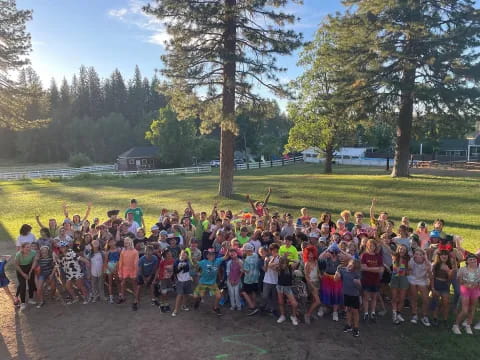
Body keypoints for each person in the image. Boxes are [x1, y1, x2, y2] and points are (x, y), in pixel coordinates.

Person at [192, 247, 229, 316]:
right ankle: (198, 299)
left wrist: (228, 249)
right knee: (195, 296)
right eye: (210, 254)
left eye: (213, 254)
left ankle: (215, 308)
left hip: (212, 283)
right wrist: (192, 258)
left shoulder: (217, 260)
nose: (212, 255)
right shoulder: (203, 262)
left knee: (218, 296)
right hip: (203, 282)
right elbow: (196, 263)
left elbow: (226, 256)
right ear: (207, 256)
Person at [452, 254, 480, 335]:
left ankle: (468, 325)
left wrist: (477, 285)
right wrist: (465, 284)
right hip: (465, 290)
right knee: (465, 310)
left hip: (475, 290)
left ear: (476, 260)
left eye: (474, 259)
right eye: (470, 259)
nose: (472, 261)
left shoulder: (479, 270)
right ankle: (456, 325)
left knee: (472, 309)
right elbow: (459, 281)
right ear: (467, 261)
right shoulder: (462, 269)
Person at [57, 240, 90, 305]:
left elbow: (79, 258)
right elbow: (58, 264)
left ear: (66, 247)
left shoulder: (71, 252)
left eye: (63, 247)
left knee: (80, 286)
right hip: (69, 274)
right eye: (60, 247)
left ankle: (86, 298)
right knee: (68, 287)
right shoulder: (60, 256)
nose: (62, 248)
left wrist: (87, 261)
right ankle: (75, 298)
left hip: (76, 272)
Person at [335, 259, 362, 337]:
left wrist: (358, 283)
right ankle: (349, 325)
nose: (350, 266)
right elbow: (336, 279)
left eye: (353, 265)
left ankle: (356, 328)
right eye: (350, 264)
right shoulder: (343, 270)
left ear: (356, 267)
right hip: (346, 294)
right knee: (348, 310)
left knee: (355, 311)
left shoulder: (357, 273)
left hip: (354, 295)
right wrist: (337, 270)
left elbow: (360, 287)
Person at [360, 239, 383, 322]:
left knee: (374, 297)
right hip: (366, 280)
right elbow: (362, 268)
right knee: (366, 297)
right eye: (369, 245)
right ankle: (366, 313)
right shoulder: (364, 255)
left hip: (375, 280)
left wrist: (368, 268)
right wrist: (376, 268)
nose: (371, 247)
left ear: (375, 247)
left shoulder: (378, 256)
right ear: (367, 246)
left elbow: (381, 270)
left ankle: (372, 313)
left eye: (373, 245)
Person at [408, 248, 432, 326]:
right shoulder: (412, 261)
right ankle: (414, 314)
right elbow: (409, 270)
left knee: (425, 299)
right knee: (414, 297)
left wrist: (428, 269)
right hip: (413, 278)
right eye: (416, 254)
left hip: (422, 280)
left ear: (424, 256)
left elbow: (430, 275)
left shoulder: (427, 263)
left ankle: (424, 316)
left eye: (420, 254)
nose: (418, 256)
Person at [430, 250, 454, 327]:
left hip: (445, 285)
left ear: (448, 256)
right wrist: (433, 288)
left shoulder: (449, 265)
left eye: (446, 255)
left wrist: (448, 271)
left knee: (446, 303)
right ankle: (435, 318)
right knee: (436, 301)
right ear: (439, 256)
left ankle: (445, 319)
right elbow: (432, 277)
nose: (444, 256)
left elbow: (450, 279)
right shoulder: (435, 265)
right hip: (436, 284)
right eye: (442, 255)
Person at [276, 256, 299, 326]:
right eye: (282, 263)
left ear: (287, 262)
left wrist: (290, 259)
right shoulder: (278, 268)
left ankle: (293, 316)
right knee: (280, 302)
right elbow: (270, 265)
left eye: (285, 263)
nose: (283, 264)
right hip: (279, 287)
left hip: (287, 288)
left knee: (294, 303)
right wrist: (278, 260)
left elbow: (298, 261)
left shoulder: (290, 267)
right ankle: (282, 316)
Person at [117, 237, 139, 310]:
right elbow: (120, 262)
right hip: (124, 269)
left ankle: (135, 299)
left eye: (127, 241)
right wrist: (120, 273)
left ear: (131, 242)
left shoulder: (135, 251)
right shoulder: (123, 251)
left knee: (134, 284)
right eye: (125, 242)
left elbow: (136, 263)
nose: (126, 243)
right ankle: (122, 297)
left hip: (132, 269)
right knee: (122, 284)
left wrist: (135, 273)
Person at [390, 245, 410, 324]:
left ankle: (398, 313)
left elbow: (408, 269)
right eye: (401, 249)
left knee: (402, 298)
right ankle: (394, 313)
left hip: (403, 279)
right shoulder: (394, 256)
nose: (402, 250)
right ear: (398, 249)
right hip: (395, 278)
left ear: (406, 251)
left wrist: (407, 270)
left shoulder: (408, 259)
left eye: (404, 249)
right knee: (394, 297)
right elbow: (388, 248)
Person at [15, 242, 37, 310]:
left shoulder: (33, 252)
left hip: (29, 268)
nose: (29, 248)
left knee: (31, 283)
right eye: (27, 247)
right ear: (23, 248)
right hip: (21, 269)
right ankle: (23, 303)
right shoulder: (18, 254)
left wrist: (30, 272)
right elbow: (16, 265)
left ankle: (30, 299)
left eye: (30, 247)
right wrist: (23, 274)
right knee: (23, 286)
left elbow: (34, 262)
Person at [241, 243, 261, 316]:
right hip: (256, 277)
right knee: (253, 291)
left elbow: (247, 270)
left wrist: (242, 268)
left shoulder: (247, 260)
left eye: (245, 250)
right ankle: (253, 304)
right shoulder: (255, 255)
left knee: (244, 292)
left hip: (248, 278)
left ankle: (252, 307)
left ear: (247, 251)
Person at [172, 250, 193, 316]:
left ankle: (184, 305)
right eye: (182, 254)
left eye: (185, 255)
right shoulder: (176, 261)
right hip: (180, 281)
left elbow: (190, 270)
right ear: (179, 255)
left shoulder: (188, 262)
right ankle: (175, 310)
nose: (183, 255)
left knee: (186, 294)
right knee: (179, 295)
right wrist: (180, 266)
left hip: (188, 280)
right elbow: (175, 271)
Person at [303, 245, 321, 324]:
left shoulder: (316, 261)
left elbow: (317, 272)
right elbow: (306, 277)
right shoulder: (307, 264)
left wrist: (321, 275)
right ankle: (307, 314)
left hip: (317, 282)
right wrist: (312, 286)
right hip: (311, 283)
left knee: (314, 300)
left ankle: (311, 314)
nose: (311, 255)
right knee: (318, 301)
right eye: (309, 253)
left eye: (312, 253)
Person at [261, 243, 279, 314]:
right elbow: (265, 270)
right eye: (273, 250)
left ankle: (273, 309)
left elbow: (277, 269)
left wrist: (272, 264)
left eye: (276, 250)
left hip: (275, 280)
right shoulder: (267, 258)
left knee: (274, 297)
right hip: (267, 280)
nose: (274, 252)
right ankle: (267, 307)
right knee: (265, 295)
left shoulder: (279, 258)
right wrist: (268, 263)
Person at [156, 248, 175, 312]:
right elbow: (158, 270)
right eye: (167, 254)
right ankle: (162, 304)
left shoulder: (173, 260)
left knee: (167, 292)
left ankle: (165, 304)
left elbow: (174, 270)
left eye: (170, 253)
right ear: (165, 255)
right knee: (164, 292)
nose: (169, 254)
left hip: (169, 278)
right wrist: (157, 278)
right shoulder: (162, 261)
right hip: (163, 279)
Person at [104, 238, 120, 304]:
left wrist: (116, 267)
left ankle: (120, 294)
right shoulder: (108, 252)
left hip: (117, 266)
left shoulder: (118, 250)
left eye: (113, 241)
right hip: (110, 266)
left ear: (115, 242)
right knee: (110, 282)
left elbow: (120, 259)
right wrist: (110, 269)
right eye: (110, 242)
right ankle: (111, 297)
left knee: (117, 281)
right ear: (108, 243)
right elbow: (105, 262)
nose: (112, 243)